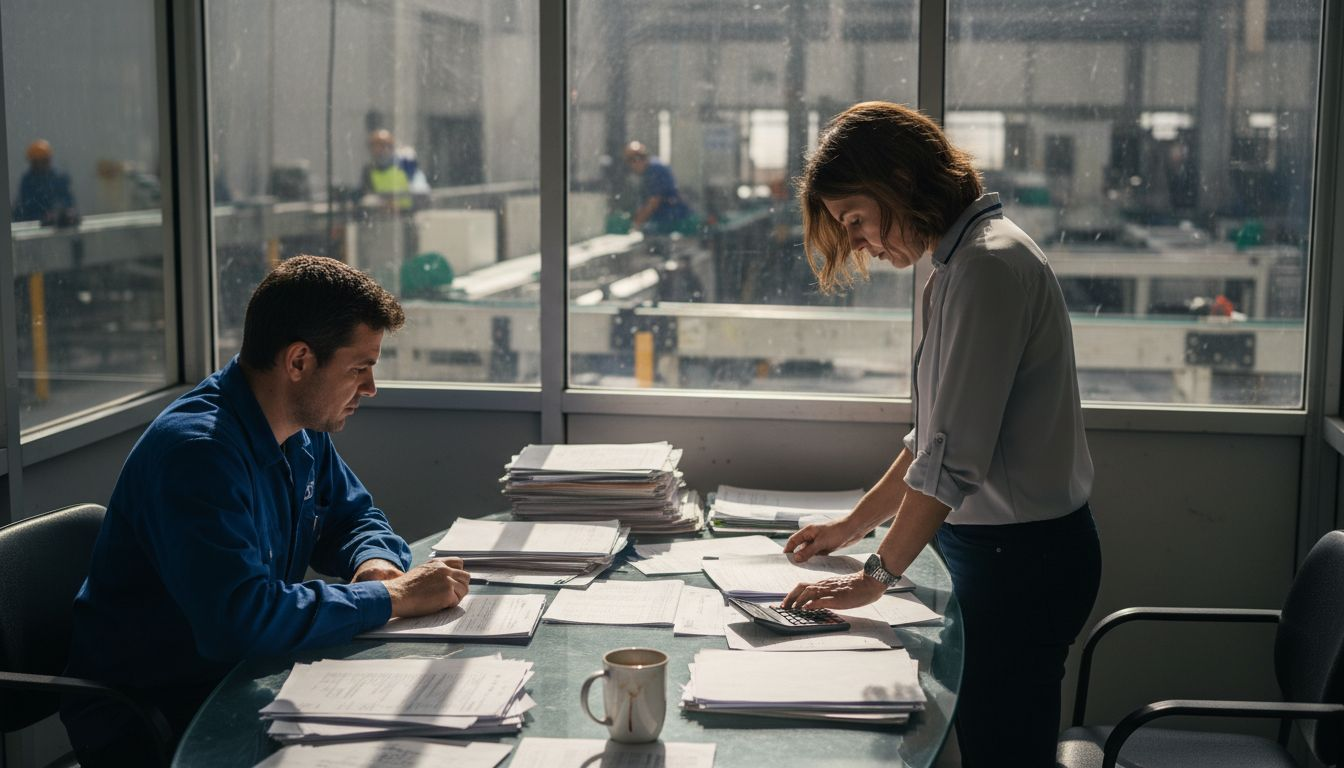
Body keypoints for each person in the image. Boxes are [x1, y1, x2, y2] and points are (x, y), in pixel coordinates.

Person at [782, 101, 1101, 768]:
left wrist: (876, 574)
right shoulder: (956, 265)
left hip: (1021, 564)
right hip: (995, 554)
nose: (862, 242)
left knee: (1002, 753)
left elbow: (951, 461)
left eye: (858, 221)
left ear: (898, 178)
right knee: (984, 740)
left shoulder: (987, 266)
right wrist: (851, 528)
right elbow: (932, 439)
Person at [60, 255, 471, 766]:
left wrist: (373, 564)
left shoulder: (298, 428)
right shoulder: (197, 453)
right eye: (360, 368)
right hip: (161, 715)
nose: (370, 388)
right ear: (299, 362)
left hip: (243, 679)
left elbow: (355, 518)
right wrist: (389, 597)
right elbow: (239, 618)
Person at [623, 141, 694, 234]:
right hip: (665, 219)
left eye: (632, 161)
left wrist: (637, 224)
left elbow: (654, 201)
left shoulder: (655, 170)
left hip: (672, 220)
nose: (632, 167)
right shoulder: (648, 171)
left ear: (637, 160)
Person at [359, 128, 430, 212]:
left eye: (383, 145)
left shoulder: (406, 164)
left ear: (392, 146)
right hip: (382, 217)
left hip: (407, 215)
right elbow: (367, 196)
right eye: (374, 145)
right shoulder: (369, 170)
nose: (378, 150)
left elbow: (421, 191)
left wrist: (398, 202)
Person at [12, 138, 78, 226]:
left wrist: (64, 212)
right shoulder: (27, 180)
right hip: (33, 222)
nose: (40, 165)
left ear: (49, 160)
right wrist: (42, 216)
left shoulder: (59, 177)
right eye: (36, 162)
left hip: (58, 221)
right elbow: (26, 205)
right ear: (32, 163)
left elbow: (67, 200)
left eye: (43, 161)